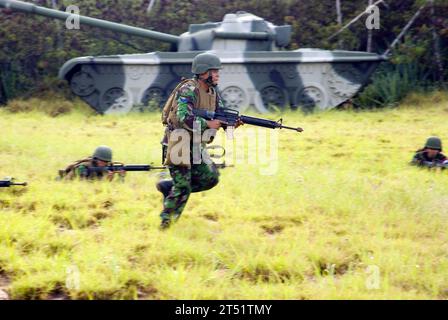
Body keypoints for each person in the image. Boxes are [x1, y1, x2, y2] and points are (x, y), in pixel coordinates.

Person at [157, 52, 241, 229]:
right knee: (183, 188)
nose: (218, 74)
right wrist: (209, 123)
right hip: (177, 143)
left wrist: (230, 124)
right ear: (204, 72)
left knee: (210, 178)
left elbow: (220, 115)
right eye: (214, 71)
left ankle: (170, 188)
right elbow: (181, 117)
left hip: (196, 144)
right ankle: (166, 223)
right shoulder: (188, 89)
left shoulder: (212, 92)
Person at [59, 145, 125, 181]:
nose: (104, 164)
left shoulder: (106, 168)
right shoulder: (83, 167)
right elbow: (84, 186)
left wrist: (121, 177)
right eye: (102, 161)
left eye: (106, 162)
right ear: (95, 159)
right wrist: (105, 181)